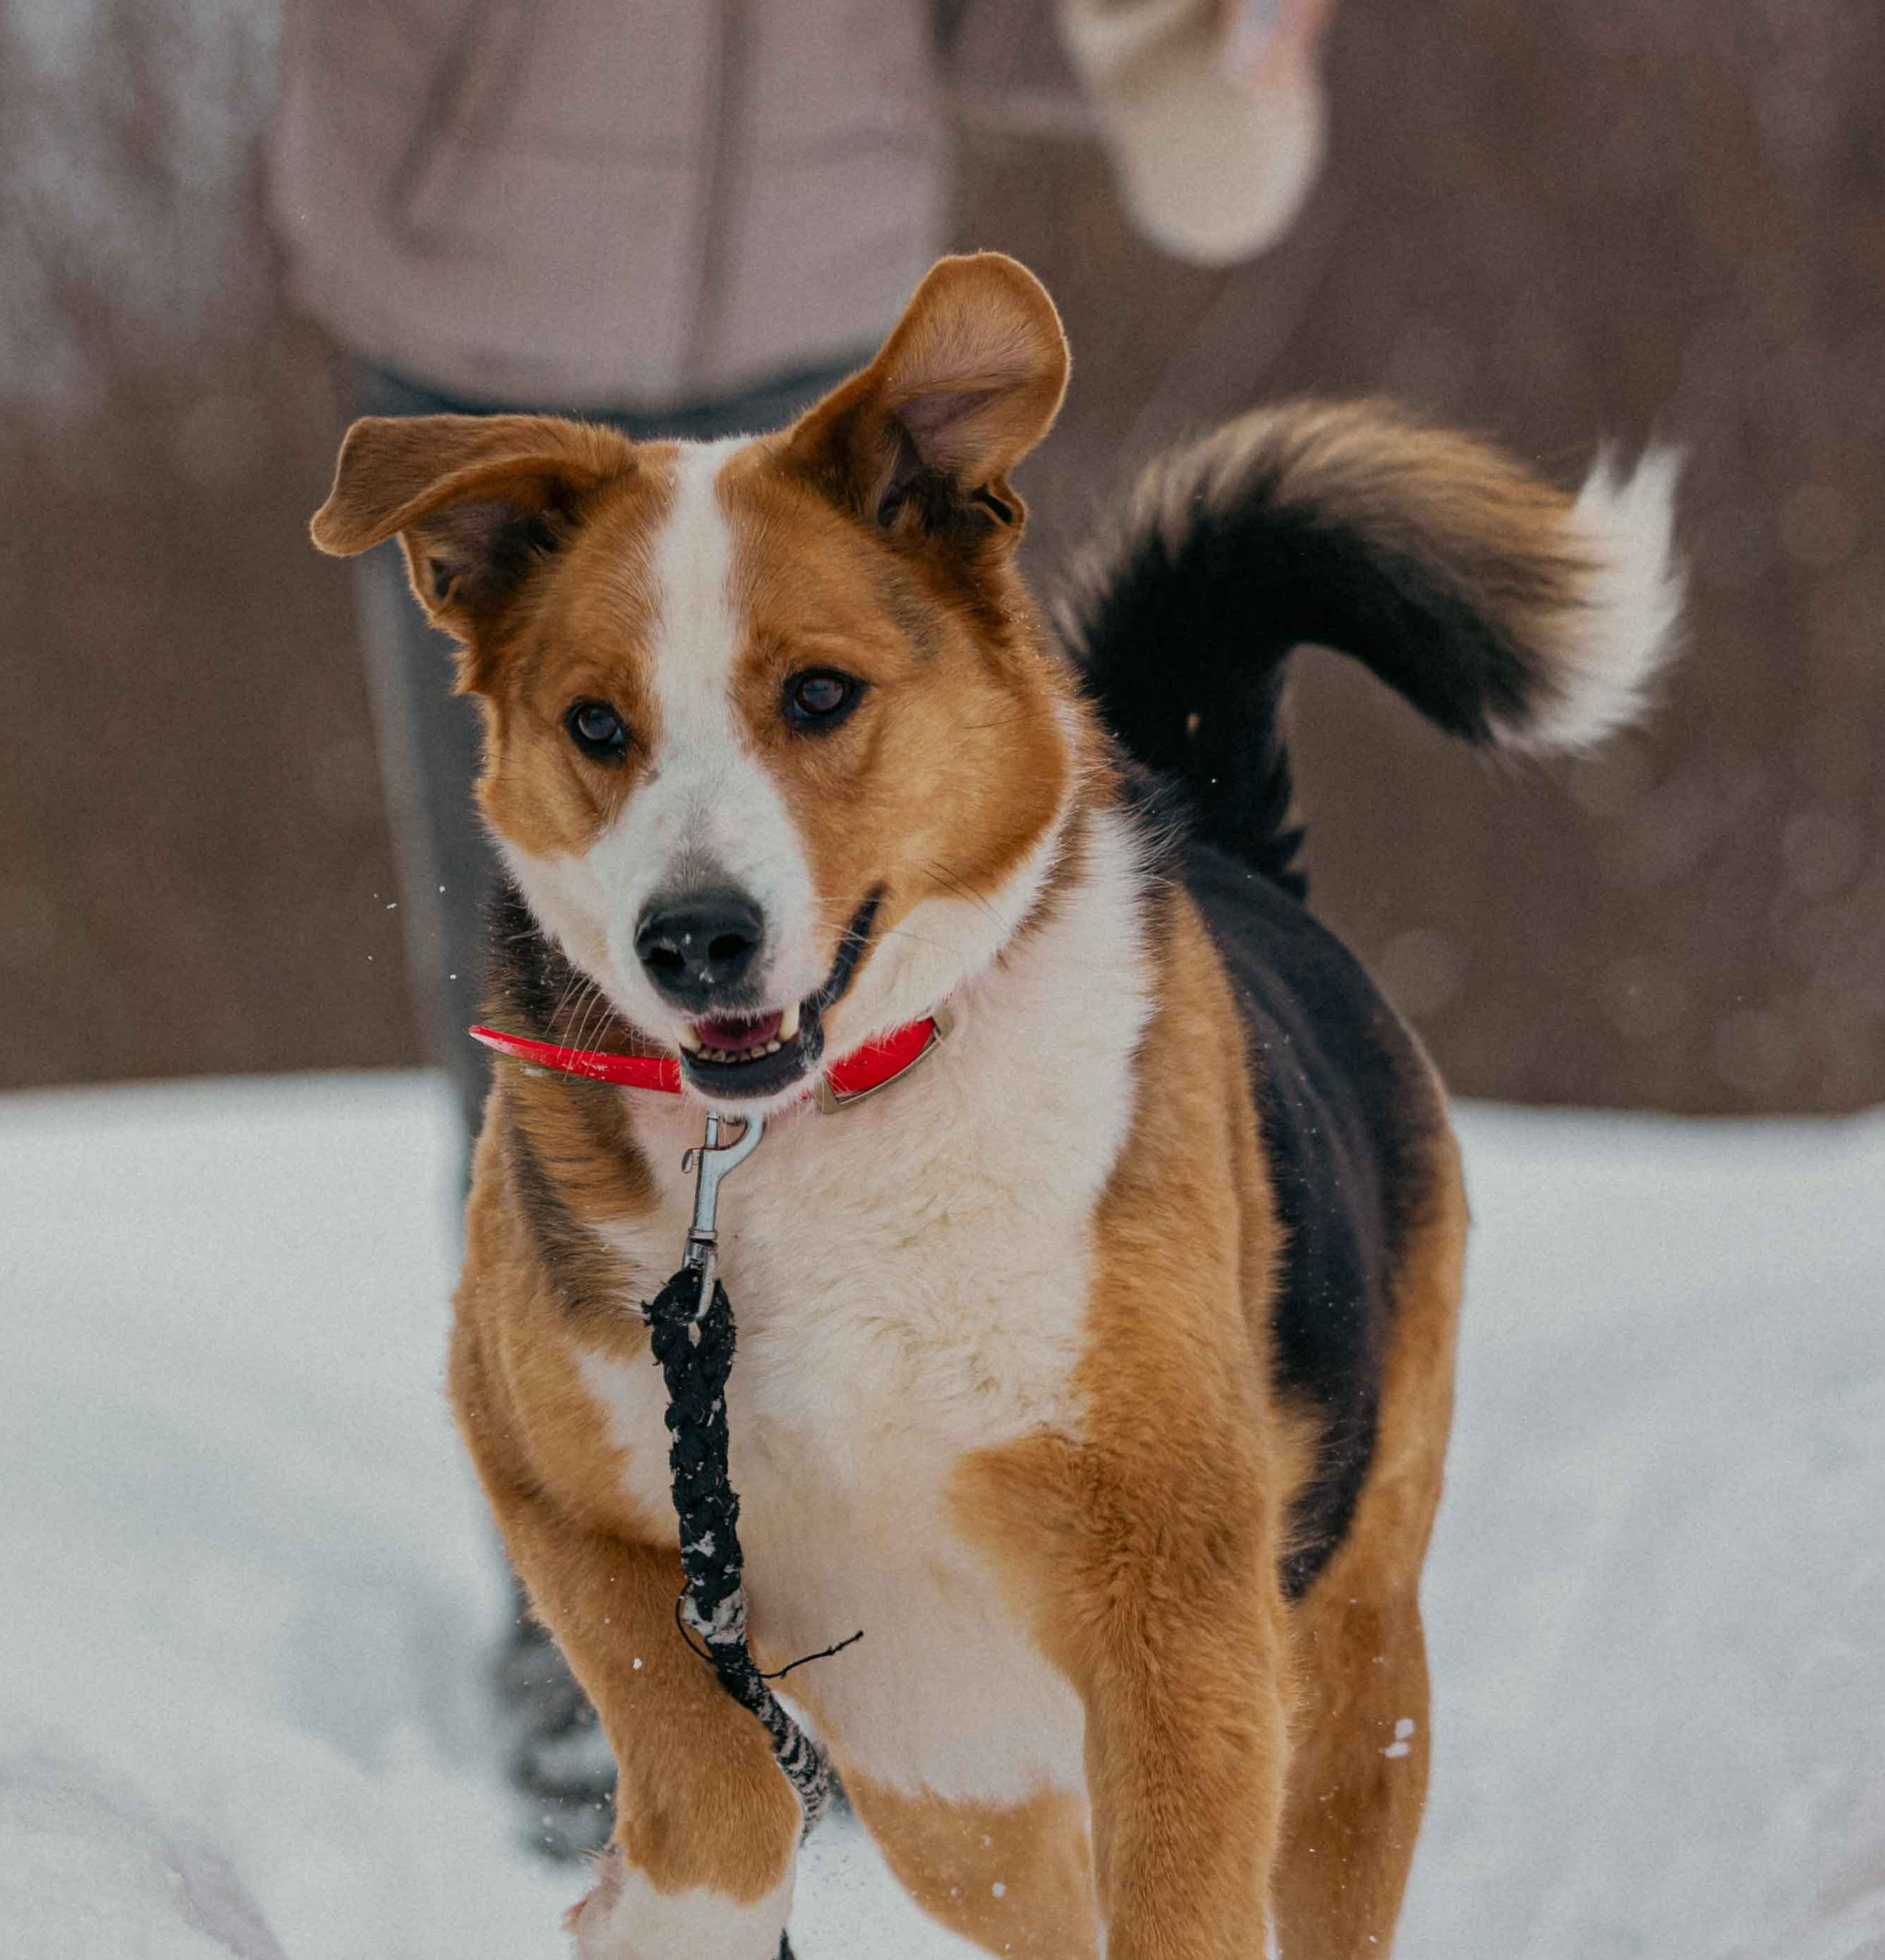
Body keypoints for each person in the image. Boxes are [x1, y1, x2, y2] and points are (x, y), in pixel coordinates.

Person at [268, 0, 1339, 1854]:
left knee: (916, 1025)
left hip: (820, 321)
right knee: (561, 1036)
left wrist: (1177, 31)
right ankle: (610, 1637)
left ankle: (863, 1604)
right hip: (489, 302)